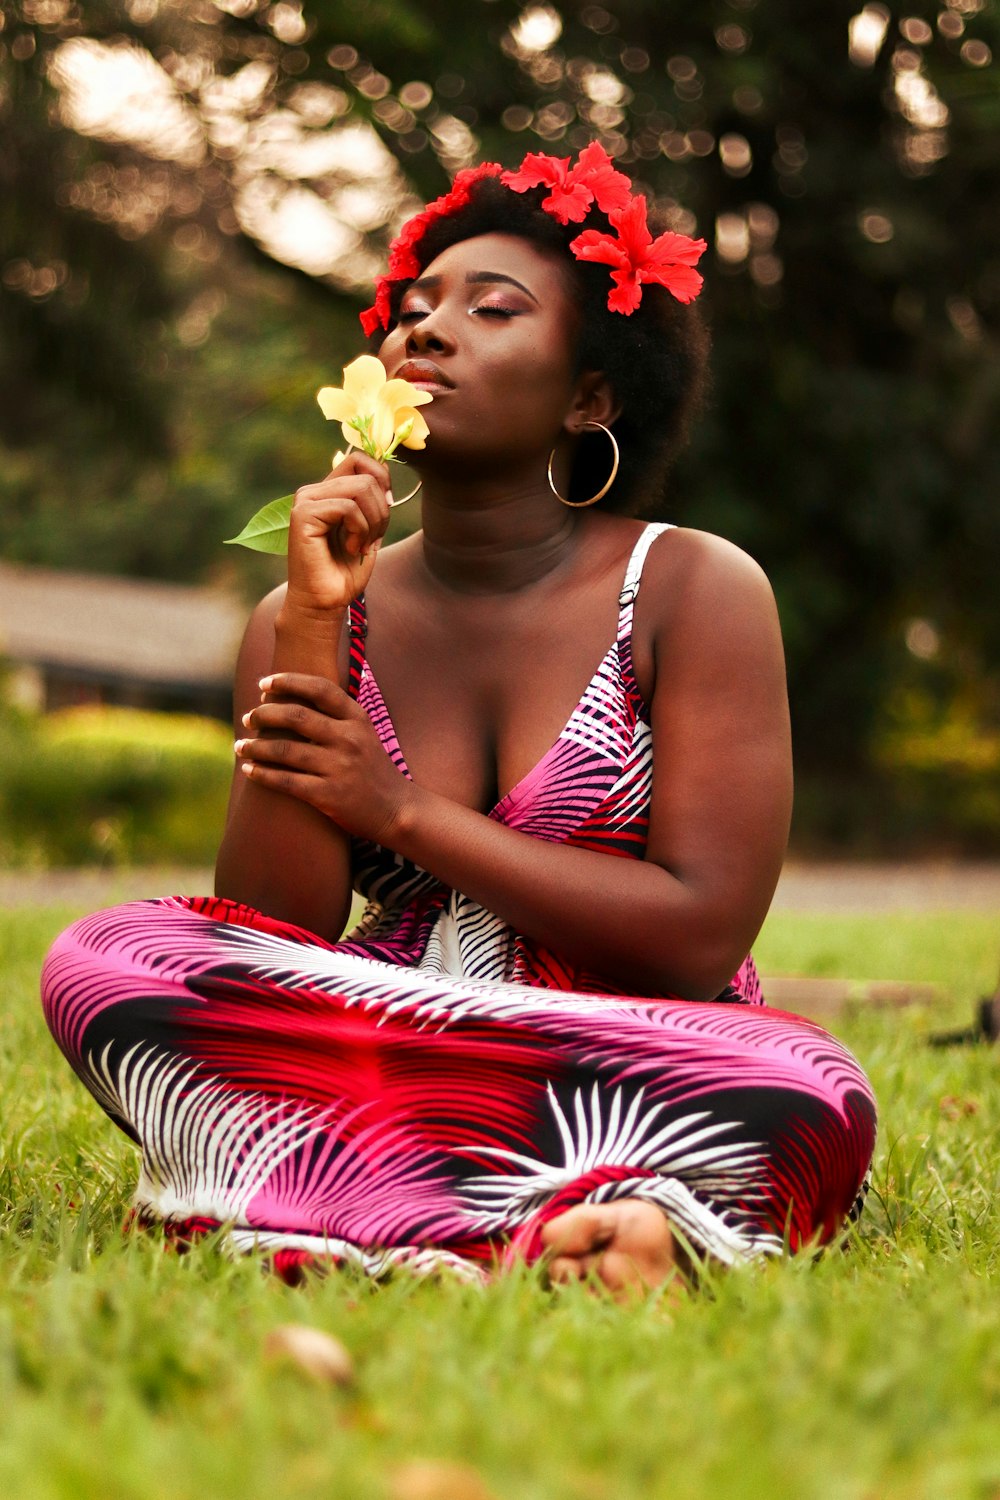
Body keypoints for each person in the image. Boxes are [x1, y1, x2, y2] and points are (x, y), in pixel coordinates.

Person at [42, 145, 876, 1298]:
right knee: (110, 959)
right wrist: (314, 630)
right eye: (415, 309)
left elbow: (697, 934)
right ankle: (571, 1223)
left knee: (808, 1090)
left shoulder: (692, 588)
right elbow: (270, 928)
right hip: (385, 1034)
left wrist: (398, 811)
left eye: (492, 309)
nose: (424, 332)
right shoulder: (305, 612)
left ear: (590, 395)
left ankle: (341, 1203)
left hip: (631, 1050)